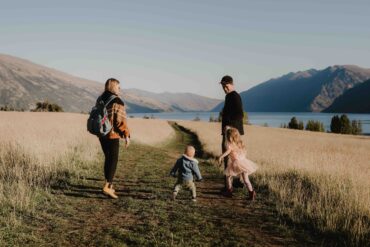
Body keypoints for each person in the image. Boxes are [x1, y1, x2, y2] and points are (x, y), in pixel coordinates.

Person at [98, 78, 130, 199]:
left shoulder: (100, 98)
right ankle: (107, 186)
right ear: (112, 87)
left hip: (101, 134)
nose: (120, 89)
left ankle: (109, 185)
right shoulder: (117, 100)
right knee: (113, 160)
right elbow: (119, 122)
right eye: (118, 87)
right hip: (112, 134)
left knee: (108, 158)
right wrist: (126, 135)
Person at [219, 75, 245, 195]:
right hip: (232, 132)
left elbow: (240, 114)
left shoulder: (233, 96)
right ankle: (237, 182)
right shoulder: (230, 96)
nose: (224, 88)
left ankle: (228, 188)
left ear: (231, 84)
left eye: (226, 86)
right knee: (234, 158)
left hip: (231, 132)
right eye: (223, 86)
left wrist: (229, 125)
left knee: (228, 158)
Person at [218, 127, 257, 200]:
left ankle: (229, 192)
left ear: (230, 137)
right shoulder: (240, 143)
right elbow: (244, 152)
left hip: (236, 163)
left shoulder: (230, 145)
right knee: (246, 179)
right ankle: (252, 193)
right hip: (244, 162)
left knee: (228, 176)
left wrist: (221, 157)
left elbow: (227, 152)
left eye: (227, 136)